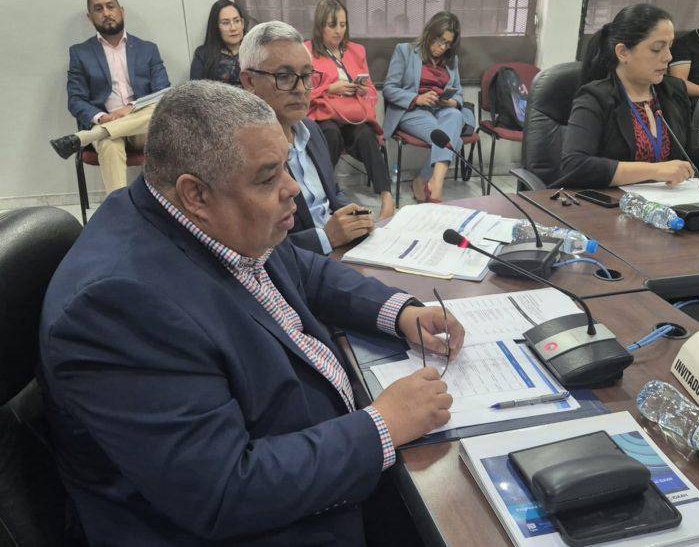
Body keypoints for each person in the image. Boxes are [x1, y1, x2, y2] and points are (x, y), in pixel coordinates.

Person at [39, 80, 463, 547]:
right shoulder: (118, 306)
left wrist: (400, 312)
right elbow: (224, 491)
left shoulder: (212, 215)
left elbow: (305, 270)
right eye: (268, 177)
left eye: (286, 166)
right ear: (196, 195)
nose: (293, 189)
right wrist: (383, 425)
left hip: (316, 463)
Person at [560, 3, 699, 189]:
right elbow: (575, 165)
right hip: (609, 208)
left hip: (665, 205)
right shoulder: (595, 97)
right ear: (623, 52)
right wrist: (655, 171)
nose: (668, 57)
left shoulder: (673, 91)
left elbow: (685, 155)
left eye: (670, 46)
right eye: (657, 49)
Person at [239, 20, 375, 254]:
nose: (301, 89)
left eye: (306, 75)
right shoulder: (243, 154)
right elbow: (253, 248)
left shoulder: (311, 130)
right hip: (302, 263)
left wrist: (354, 216)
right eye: (284, 76)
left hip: (343, 249)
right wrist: (325, 238)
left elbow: (333, 191)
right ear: (250, 81)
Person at [51, 0, 170, 194]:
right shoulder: (80, 53)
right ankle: (120, 209)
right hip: (105, 121)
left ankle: (85, 137)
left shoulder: (147, 49)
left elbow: (163, 92)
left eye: (110, 6)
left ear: (121, 11)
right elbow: (76, 100)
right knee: (108, 143)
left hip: (142, 127)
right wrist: (102, 118)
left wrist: (131, 108)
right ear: (90, 18)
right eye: (98, 9)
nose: (106, 13)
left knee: (162, 106)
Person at [306, 0, 395, 220]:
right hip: (324, 115)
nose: (339, 31)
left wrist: (362, 90)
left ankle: (387, 197)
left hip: (353, 115)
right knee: (330, 134)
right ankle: (325, 195)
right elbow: (303, 92)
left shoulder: (356, 51)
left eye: (343, 25)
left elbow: (372, 91)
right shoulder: (307, 51)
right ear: (320, 26)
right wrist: (330, 88)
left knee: (366, 136)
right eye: (332, 25)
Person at [383, 11, 475, 204]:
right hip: (413, 111)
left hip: (441, 109)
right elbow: (389, 89)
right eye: (439, 41)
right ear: (429, 33)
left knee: (455, 116)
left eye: (447, 44)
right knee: (453, 139)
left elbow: (458, 93)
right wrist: (417, 98)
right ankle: (431, 184)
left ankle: (432, 182)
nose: (442, 47)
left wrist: (451, 102)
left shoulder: (451, 60)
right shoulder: (405, 51)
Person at [190, 0, 246, 87]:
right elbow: (194, 90)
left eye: (237, 21)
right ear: (216, 27)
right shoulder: (203, 54)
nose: (233, 28)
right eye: (226, 23)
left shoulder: (255, 50)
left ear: (242, 23)